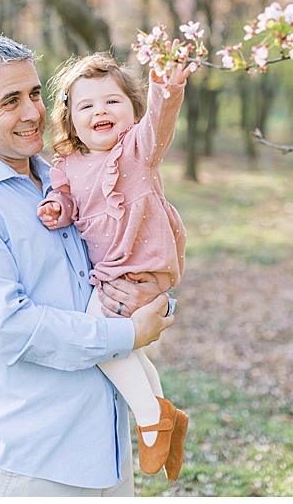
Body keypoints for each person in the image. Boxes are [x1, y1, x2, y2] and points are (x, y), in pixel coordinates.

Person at [0, 35, 173, 496]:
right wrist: (127, 335)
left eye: (35, 93)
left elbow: (126, 252)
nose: (32, 112)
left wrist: (153, 299)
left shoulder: (67, 176)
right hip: (32, 464)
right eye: (10, 101)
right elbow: (9, 327)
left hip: (109, 453)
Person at [36, 53, 191, 479]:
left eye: (112, 102)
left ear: (133, 111)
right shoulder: (67, 164)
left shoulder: (138, 150)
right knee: (129, 346)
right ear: (70, 119)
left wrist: (167, 87)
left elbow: (161, 122)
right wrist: (56, 208)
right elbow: (67, 201)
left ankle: (148, 419)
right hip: (112, 272)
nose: (100, 111)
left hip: (141, 264)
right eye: (86, 106)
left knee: (101, 338)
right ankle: (167, 418)